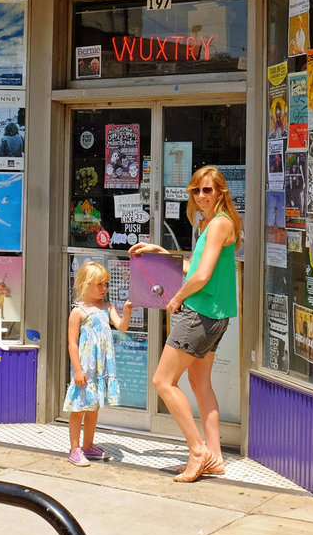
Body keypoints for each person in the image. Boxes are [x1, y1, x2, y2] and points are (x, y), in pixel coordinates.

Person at [130, 165, 242, 483]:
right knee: (200, 384)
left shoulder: (219, 224)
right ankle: (216, 457)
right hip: (216, 314)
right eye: (196, 190)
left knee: (163, 382)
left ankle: (197, 451)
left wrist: (177, 297)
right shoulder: (215, 223)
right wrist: (160, 251)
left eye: (207, 189)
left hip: (200, 314)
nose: (201, 195)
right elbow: (196, 266)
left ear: (221, 191)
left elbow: (201, 277)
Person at [62, 261, 133, 467]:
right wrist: (77, 369)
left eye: (106, 284)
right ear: (86, 284)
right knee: (78, 409)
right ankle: (74, 448)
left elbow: (122, 326)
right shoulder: (78, 311)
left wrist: (126, 311)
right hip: (85, 368)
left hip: (101, 367)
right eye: (99, 284)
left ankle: (88, 445)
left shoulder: (107, 307)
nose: (104, 288)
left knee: (93, 408)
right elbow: (72, 342)